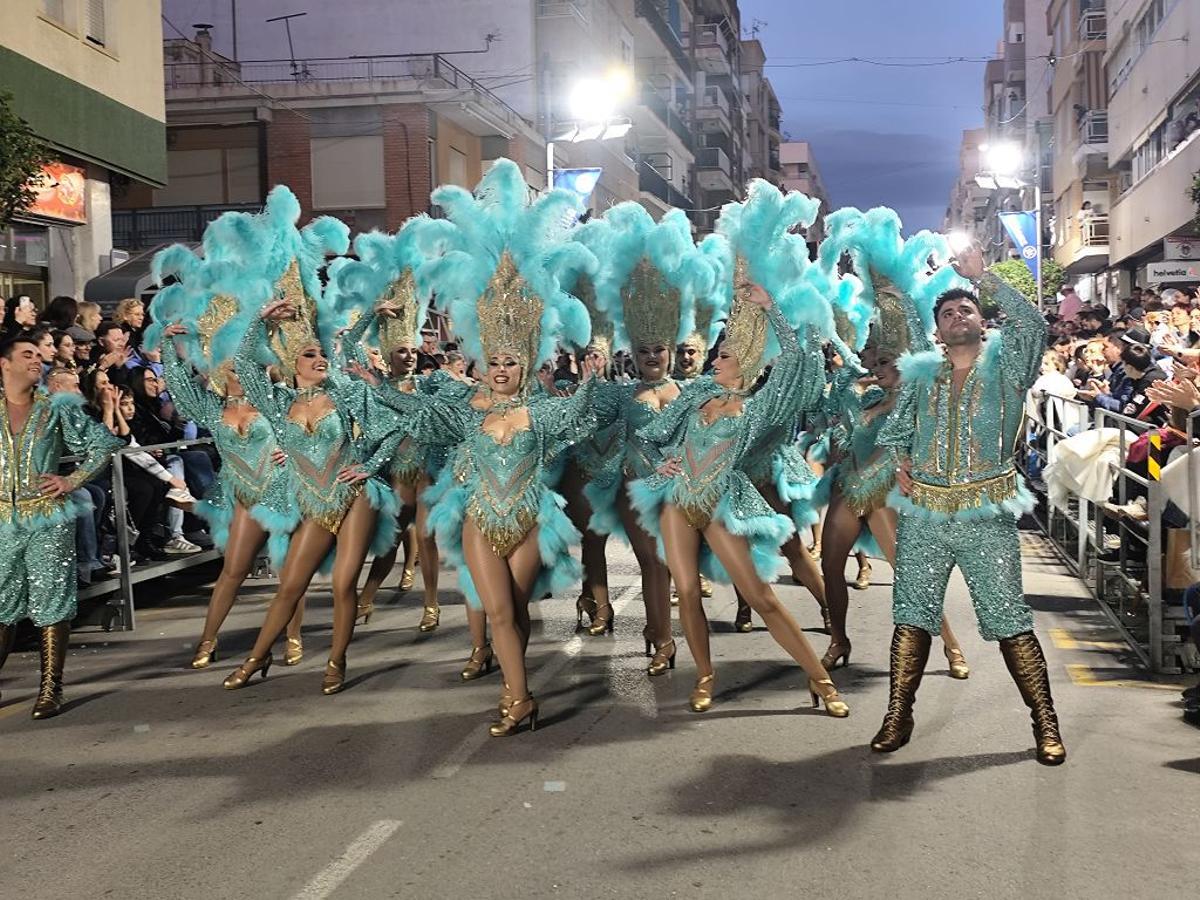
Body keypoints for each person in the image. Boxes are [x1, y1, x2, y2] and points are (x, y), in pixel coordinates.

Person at [374, 160, 599, 735]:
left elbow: (582, 413)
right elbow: (409, 409)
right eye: (494, 360)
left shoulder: (543, 409)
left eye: (510, 361)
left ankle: (514, 684)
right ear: (482, 359)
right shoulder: (460, 407)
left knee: (515, 611)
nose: (500, 369)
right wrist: (369, 370)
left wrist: (592, 375)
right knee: (495, 610)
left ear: (526, 361)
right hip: (478, 515)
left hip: (528, 517)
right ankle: (519, 698)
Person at [630, 179, 849, 718]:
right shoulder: (698, 392)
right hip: (680, 499)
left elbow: (798, 361)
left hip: (724, 500)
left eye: (727, 353)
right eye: (720, 349)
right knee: (684, 587)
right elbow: (657, 437)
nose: (718, 356)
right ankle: (704, 675)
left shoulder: (756, 408)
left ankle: (820, 680)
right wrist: (657, 438)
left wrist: (770, 308)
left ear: (746, 365)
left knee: (760, 596)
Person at [874, 241, 1065, 766]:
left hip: (986, 510)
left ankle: (1045, 722)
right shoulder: (921, 373)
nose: (957, 316)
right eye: (948, 312)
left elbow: (1032, 326)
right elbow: (897, 428)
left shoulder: (1009, 367)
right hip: (924, 513)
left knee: (1008, 617)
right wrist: (899, 460)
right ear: (938, 329)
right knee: (911, 616)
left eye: (967, 309)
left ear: (982, 321)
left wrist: (986, 279)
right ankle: (898, 715)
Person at [221, 187, 397, 695]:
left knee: (343, 584)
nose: (319, 358)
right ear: (292, 364)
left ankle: (336, 660)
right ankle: (258, 658)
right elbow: (250, 362)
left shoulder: (345, 394)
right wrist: (259, 322)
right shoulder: (274, 402)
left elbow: (389, 429)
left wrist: (369, 465)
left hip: (353, 495)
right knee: (290, 586)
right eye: (309, 355)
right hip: (310, 499)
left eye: (323, 353)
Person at [814, 207, 970, 678]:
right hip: (850, 485)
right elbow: (839, 431)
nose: (877, 365)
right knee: (830, 564)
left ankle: (951, 645)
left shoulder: (918, 399)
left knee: (908, 573)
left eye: (886, 360)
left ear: (902, 361)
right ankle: (839, 639)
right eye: (873, 358)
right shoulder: (864, 395)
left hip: (887, 490)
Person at [148, 241, 306, 669]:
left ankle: (291, 636)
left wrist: (290, 456)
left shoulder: (278, 399)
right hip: (240, 495)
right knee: (232, 571)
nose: (238, 371)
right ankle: (207, 640)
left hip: (279, 491)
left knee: (288, 572)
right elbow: (178, 387)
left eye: (245, 364)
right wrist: (167, 346)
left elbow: (311, 432)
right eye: (232, 365)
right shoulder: (212, 408)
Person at [583, 204, 719, 671]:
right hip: (635, 490)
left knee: (679, 570)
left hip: (682, 491)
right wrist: (587, 379)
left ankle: (662, 632)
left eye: (658, 349)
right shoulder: (621, 395)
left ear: (670, 348)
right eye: (643, 351)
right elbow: (579, 415)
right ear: (634, 354)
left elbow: (711, 432)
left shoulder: (691, 390)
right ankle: (663, 639)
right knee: (652, 565)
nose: (652, 357)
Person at [0, 334, 122, 718]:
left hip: (49, 517)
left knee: (51, 600)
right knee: (1, 605)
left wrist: (72, 480)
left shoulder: (55, 408)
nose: (37, 360)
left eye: (39, 355)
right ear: (5, 364)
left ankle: (51, 688)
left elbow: (104, 443)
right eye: (27, 354)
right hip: (2, 520)